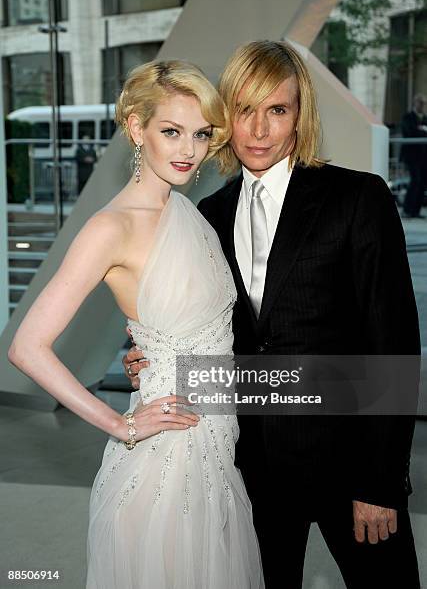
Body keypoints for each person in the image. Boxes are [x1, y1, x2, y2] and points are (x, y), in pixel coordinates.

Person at [124, 41, 421, 588]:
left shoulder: (358, 198)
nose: (259, 130)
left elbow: (393, 343)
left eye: (277, 110)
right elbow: (222, 344)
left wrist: (380, 482)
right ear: (224, 120)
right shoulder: (205, 217)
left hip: (349, 466)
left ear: (299, 116)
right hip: (249, 470)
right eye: (244, 110)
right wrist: (157, 357)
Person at [8, 60, 264, 589]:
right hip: (166, 453)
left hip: (217, 443)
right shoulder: (111, 227)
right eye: (170, 131)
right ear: (135, 128)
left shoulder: (187, 213)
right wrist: (120, 425)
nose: (188, 150)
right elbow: (27, 347)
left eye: (199, 133)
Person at [400, 93, 427, 218]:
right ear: (414, 103)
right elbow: (409, 132)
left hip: (424, 156)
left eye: (424, 103)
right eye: (420, 102)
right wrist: (422, 131)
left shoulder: (425, 118)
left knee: (422, 182)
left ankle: (415, 211)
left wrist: (420, 130)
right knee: (415, 180)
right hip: (411, 155)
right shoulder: (407, 117)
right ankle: (407, 209)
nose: (422, 105)